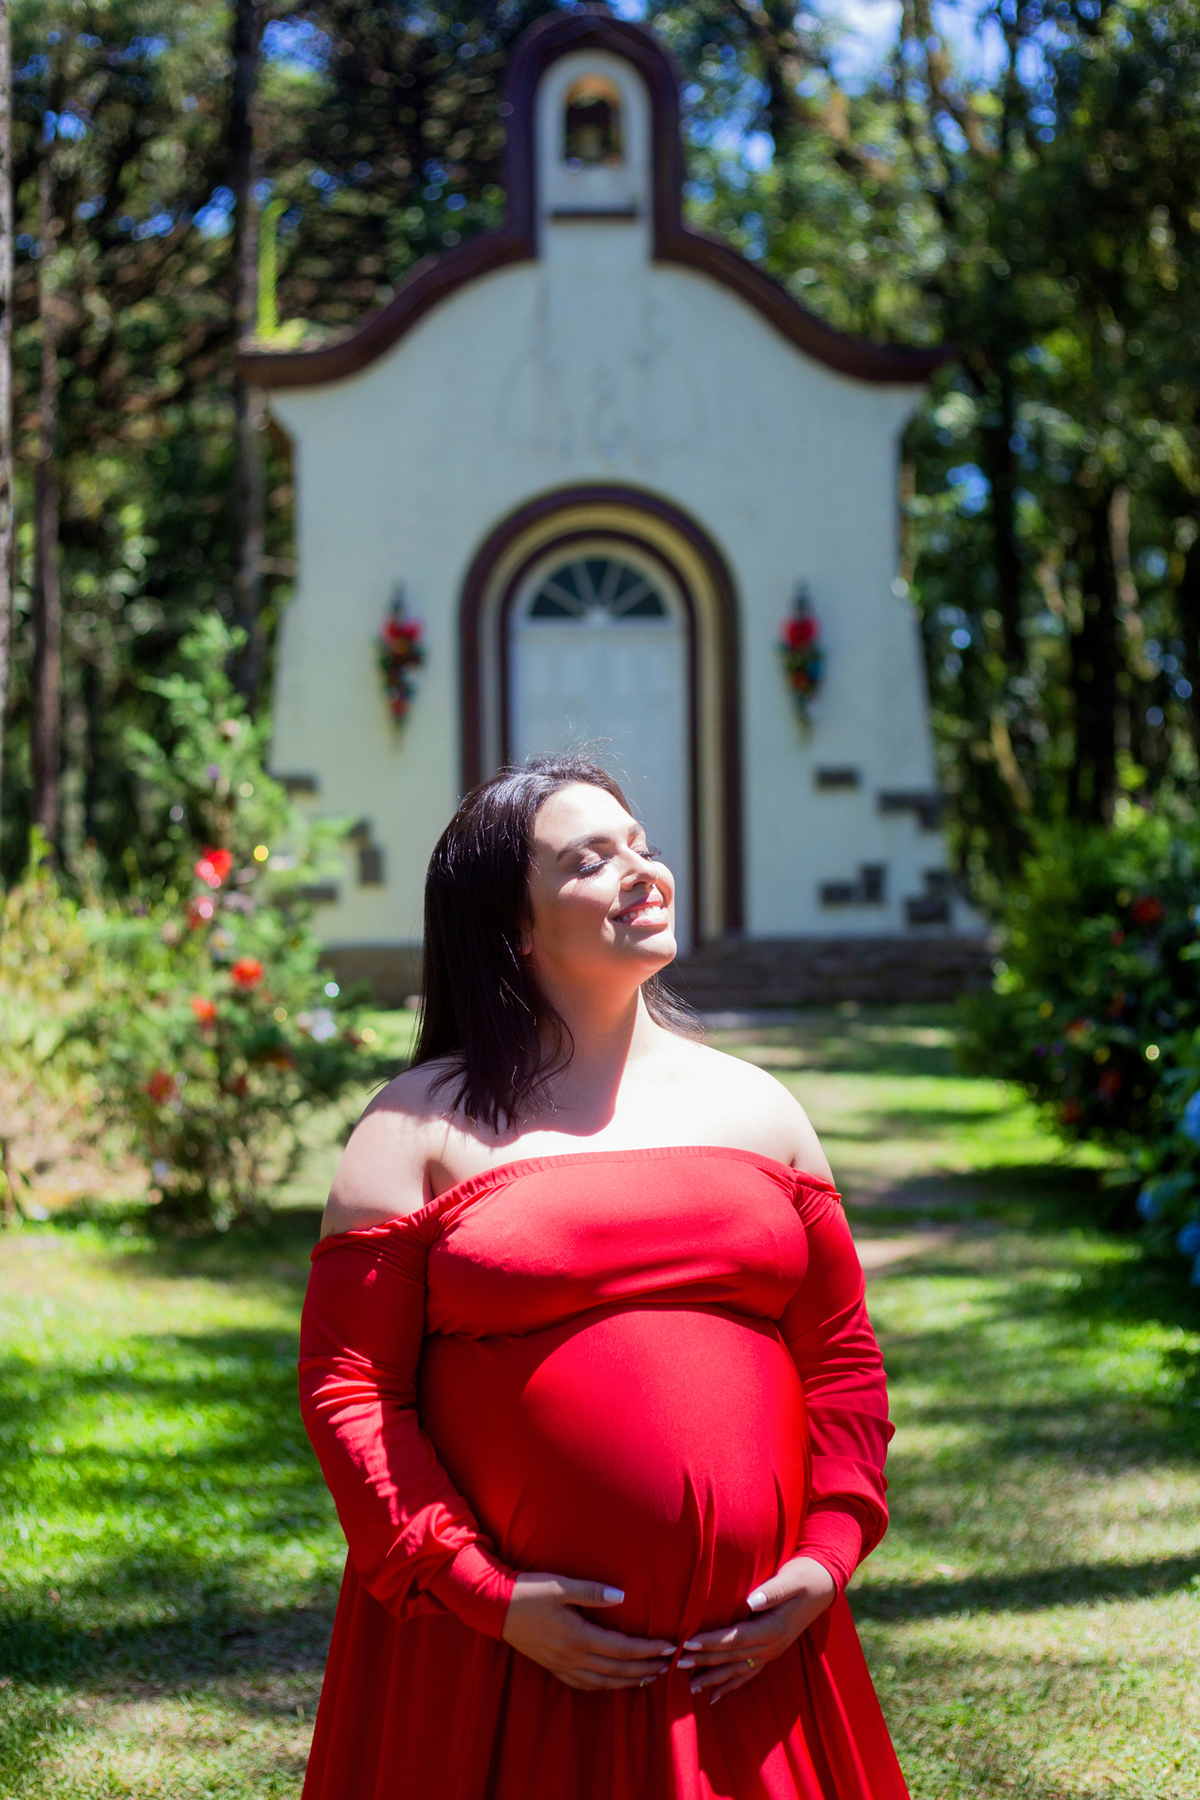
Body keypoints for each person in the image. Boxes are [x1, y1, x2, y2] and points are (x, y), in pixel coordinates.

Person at [297, 756, 910, 1800]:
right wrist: (484, 1592)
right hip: (495, 1666)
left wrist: (831, 1548)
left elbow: (841, 1359)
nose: (644, 870)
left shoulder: (761, 1108)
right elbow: (351, 1390)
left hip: (748, 1664)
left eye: (639, 843)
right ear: (515, 929)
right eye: (592, 860)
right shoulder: (416, 1125)